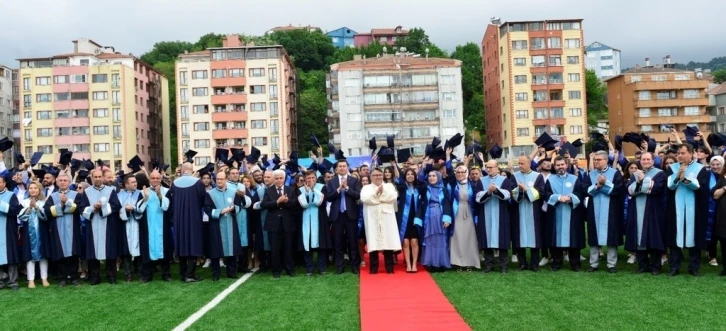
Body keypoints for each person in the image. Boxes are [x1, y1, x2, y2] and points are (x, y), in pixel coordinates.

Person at [666, 144, 709, 277]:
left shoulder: (700, 169)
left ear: (691, 153)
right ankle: (674, 266)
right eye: (678, 153)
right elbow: (670, 186)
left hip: (694, 208)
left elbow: (699, 187)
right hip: (676, 208)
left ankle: (694, 267)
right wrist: (677, 176)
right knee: (674, 237)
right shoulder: (672, 168)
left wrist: (684, 178)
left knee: (694, 236)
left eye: (683, 153)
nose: (679, 155)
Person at [625, 152, 667, 275]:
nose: (646, 161)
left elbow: (655, 189)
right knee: (639, 237)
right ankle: (642, 265)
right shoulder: (635, 174)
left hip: (654, 210)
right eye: (643, 159)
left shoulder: (660, 174)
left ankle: (655, 266)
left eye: (648, 159)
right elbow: (630, 190)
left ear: (653, 161)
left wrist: (642, 181)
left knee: (654, 237)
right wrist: (640, 183)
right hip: (637, 210)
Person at [78, 169, 122, 285]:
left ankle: (111, 275)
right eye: (95, 177)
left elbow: (116, 206)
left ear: (102, 177)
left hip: (108, 225)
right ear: (91, 178)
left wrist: (102, 208)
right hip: (92, 225)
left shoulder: (110, 191)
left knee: (110, 251)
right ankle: (95, 276)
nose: (97, 179)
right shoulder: (86, 192)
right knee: (93, 252)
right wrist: (93, 208)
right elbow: (82, 208)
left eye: (99, 177)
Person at [584, 150, 623, 273]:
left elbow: (619, 190)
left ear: (606, 160)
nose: (596, 162)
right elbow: (585, 190)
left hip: (611, 210)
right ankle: (593, 263)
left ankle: (611, 264)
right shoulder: (590, 174)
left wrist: (605, 183)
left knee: (611, 237)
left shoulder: (615, 174)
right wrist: (598, 186)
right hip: (594, 209)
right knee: (594, 237)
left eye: (599, 160)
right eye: (595, 160)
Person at [544, 157, 585, 272]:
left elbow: (580, 193)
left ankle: (575, 263)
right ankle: (556, 262)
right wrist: (559, 198)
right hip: (555, 213)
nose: (560, 167)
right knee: (556, 238)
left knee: (574, 238)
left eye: (562, 164)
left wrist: (570, 198)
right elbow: (546, 194)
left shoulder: (575, 179)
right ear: (554, 167)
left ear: (566, 165)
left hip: (572, 213)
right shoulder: (550, 180)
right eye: (558, 165)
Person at [169, 162, 208, 282]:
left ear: (182, 170)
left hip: (179, 219)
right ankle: (190, 274)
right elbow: (203, 200)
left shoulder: (174, 184)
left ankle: (182, 274)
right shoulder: (197, 183)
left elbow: (171, 202)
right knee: (193, 244)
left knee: (181, 245)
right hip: (194, 218)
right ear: (191, 170)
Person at [360, 168, 401, 274]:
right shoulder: (366, 188)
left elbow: (393, 197)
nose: (378, 177)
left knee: (388, 241)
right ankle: (374, 268)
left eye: (379, 175)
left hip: (387, 217)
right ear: (371, 177)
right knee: (373, 242)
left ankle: (390, 267)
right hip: (372, 218)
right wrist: (376, 193)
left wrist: (378, 197)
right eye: (375, 175)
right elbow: (365, 199)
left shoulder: (389, 186)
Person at [325, 159, 362, 275]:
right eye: (339, 166)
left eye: (344, 166)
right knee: (338, 242)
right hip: (337, 216)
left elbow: (358, 195)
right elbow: (329, 197)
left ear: (347, 167)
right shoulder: (332, 182)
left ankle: (354, 265)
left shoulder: (354, 180)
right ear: (336, 169)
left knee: (352, 242)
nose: (342, 168)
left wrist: (346, 188)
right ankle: (339, 266)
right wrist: (338, 189)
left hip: (350, 215)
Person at [45, 173, 82, 286]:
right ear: (56, 182)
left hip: (73, 228)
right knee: (59, 253)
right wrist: (60, 206)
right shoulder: (52, 196)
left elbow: (79, 210)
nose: (62, 182)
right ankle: (62, 278)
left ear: (69, 182)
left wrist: (67, 202)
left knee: (73, 253)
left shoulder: (76, 195)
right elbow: (47, 211)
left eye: (65, 180)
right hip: (57, 228)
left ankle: (74, 277)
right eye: (60, 180)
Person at [204, 171, 241, 281]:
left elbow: (238, 207)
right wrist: (220, 211)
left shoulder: (233, 193)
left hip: (230, 223)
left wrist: (234, 209)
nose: (219, 181)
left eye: (221, 179)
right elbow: (207, 209)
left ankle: (231, 272)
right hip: (216, 225)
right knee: (215, 250)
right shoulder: (210, 194)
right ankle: (216, 273)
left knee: (232, 249)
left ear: (226, 179)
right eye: (218, 179)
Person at [261, 170, 298, 279]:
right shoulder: (268, 190)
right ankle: (276, 270)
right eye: (276, 178)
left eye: (280, 178)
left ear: (284, 178)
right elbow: (264, 204)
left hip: (288, 223)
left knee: (288, 248)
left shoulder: (290, 190)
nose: (279, 180)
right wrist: (276, 202)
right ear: (273, 179)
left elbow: (296, 204)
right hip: (273, 224)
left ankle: (290, 269)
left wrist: (287, 201)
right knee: (275, 249)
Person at [476, 161, 511, 273]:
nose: (488, 169)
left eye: (491, 167)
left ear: (497, 168)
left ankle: (503, 266)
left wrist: (496, 190)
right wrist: (488, 192)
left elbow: (507, 195)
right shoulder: (481, 180)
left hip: (501, 214)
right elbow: (477, 197)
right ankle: (489, 265)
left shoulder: (504, 180)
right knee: (487, 240)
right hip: (486, 214)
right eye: (487, 167)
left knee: (502, 240)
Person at [137, 170, 173, 282]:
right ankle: (147, 274)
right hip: (148, 225)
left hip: (162, 225)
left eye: (157, 178)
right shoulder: (143, 192)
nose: (155, 180)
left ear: (161, 179)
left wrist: (159, 195)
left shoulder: (166, 191)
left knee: (164, 248)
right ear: (149, 180)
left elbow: (167, 208)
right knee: (148, 249)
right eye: (153, 178)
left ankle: (166, 274)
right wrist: (146, 198)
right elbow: (139, 209)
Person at [511, 155, 545, 271]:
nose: (520, 166)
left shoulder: (538, 176)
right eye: (519, 163)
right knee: (520, 237)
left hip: (533, 211)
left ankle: (534, 264)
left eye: (522, 163)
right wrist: (519, 191)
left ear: (529, 164)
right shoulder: (514, 176)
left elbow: (541, 192)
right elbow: (512, 192)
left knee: (534, 237)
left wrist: (526, 189)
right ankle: (522, 263)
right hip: (519, 211)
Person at [415, 171, 453, 271]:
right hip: (428, 216)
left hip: (440, 216)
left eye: (434, 176)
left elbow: (447, 204)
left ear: (438, 177)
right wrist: (423, 168)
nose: (431, 178)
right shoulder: (425, 189)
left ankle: (440, 263)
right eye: (430, 176)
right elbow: (419, 183)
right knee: (429, 239)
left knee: (440, 239)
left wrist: (447, 218)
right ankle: (430, 263)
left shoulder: (443, 189)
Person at [297, 170, 331, 276]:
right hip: (306, 219)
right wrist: (307, 192)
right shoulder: (300, 190)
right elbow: (304, 204)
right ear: (305, 179)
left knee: (321, 243)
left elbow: (320, 203)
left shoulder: (322, 187)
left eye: (313, 178)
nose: (311, 180)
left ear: (316, 178)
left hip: (319, 218)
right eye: (308, 178)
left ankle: (322, 267)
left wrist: (313, 190)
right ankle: (309, 268)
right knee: (307, 243)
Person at [19, 181, 49, 288]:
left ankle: (44, 278)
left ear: (40, 189)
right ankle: (30, 280)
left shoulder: (44, 202)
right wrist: (29, 208)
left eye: (35, 188)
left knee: (43, 254)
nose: (32, 190)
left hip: (42, 231)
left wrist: (36, 207)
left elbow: (46, 217)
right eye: (30, 188)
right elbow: (21, 217)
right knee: (29, 255)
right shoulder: (23, 202)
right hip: (28, 232)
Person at [117, 175, 142, 282]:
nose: (135, 183)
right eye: (132, 182)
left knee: (139, 248)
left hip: (137, 224)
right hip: (125, 225)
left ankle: (140, 272)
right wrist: (125, 210)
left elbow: (143, 208)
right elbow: (117, 209)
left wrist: (134, 209)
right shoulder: (119, 195)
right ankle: (128, 274)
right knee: (126, 250)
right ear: (126, 184)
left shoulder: (140, 193)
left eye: (135, 182)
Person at [396, 169, 421, 273]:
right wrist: (394, 166)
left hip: (416, 218)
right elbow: (397, 179)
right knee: (405, 242)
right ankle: (408, 264)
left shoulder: (419, 187)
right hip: (404, 219)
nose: (410, 176)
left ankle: (414, 264)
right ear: (405, 176)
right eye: (408, 174)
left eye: (412, 174)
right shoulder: (402, 188)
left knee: (414, 242)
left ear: (415, 176)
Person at [0, 176, 21, 290]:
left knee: (11, 255)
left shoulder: (11, 195)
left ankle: (13, 281)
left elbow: (15, 210)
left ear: (4, 184)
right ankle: (1, 281)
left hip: (7, 230)